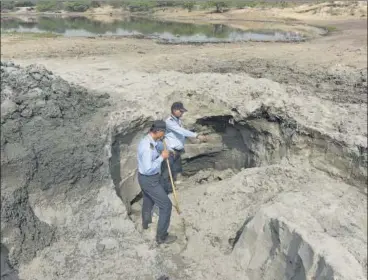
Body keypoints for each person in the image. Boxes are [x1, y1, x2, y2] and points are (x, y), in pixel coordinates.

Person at [137, 120, 177, 244]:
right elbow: (148, 168)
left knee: (148, 200)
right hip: (149, 179)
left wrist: (168, 151)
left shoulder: (150, 140)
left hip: (145, 178)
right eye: (163, 132)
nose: (163, 135)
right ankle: (161, 237)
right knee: (166, 205)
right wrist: (162, 158)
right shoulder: (147, 147)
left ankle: (146, 223)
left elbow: (158, 146)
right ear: (158, 131)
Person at [161, 102, 207, 190]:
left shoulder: (178, 120)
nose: (182, 113)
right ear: (174, 110)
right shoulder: (169, 122)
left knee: (177, 169)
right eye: (181, 111)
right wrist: (197, 136)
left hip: (178, 150)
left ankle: (177, 185)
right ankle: (166, 189)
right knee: (168, 170)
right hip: (170, 151)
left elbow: (182, 133)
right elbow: (181, 131)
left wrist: (192, 139)